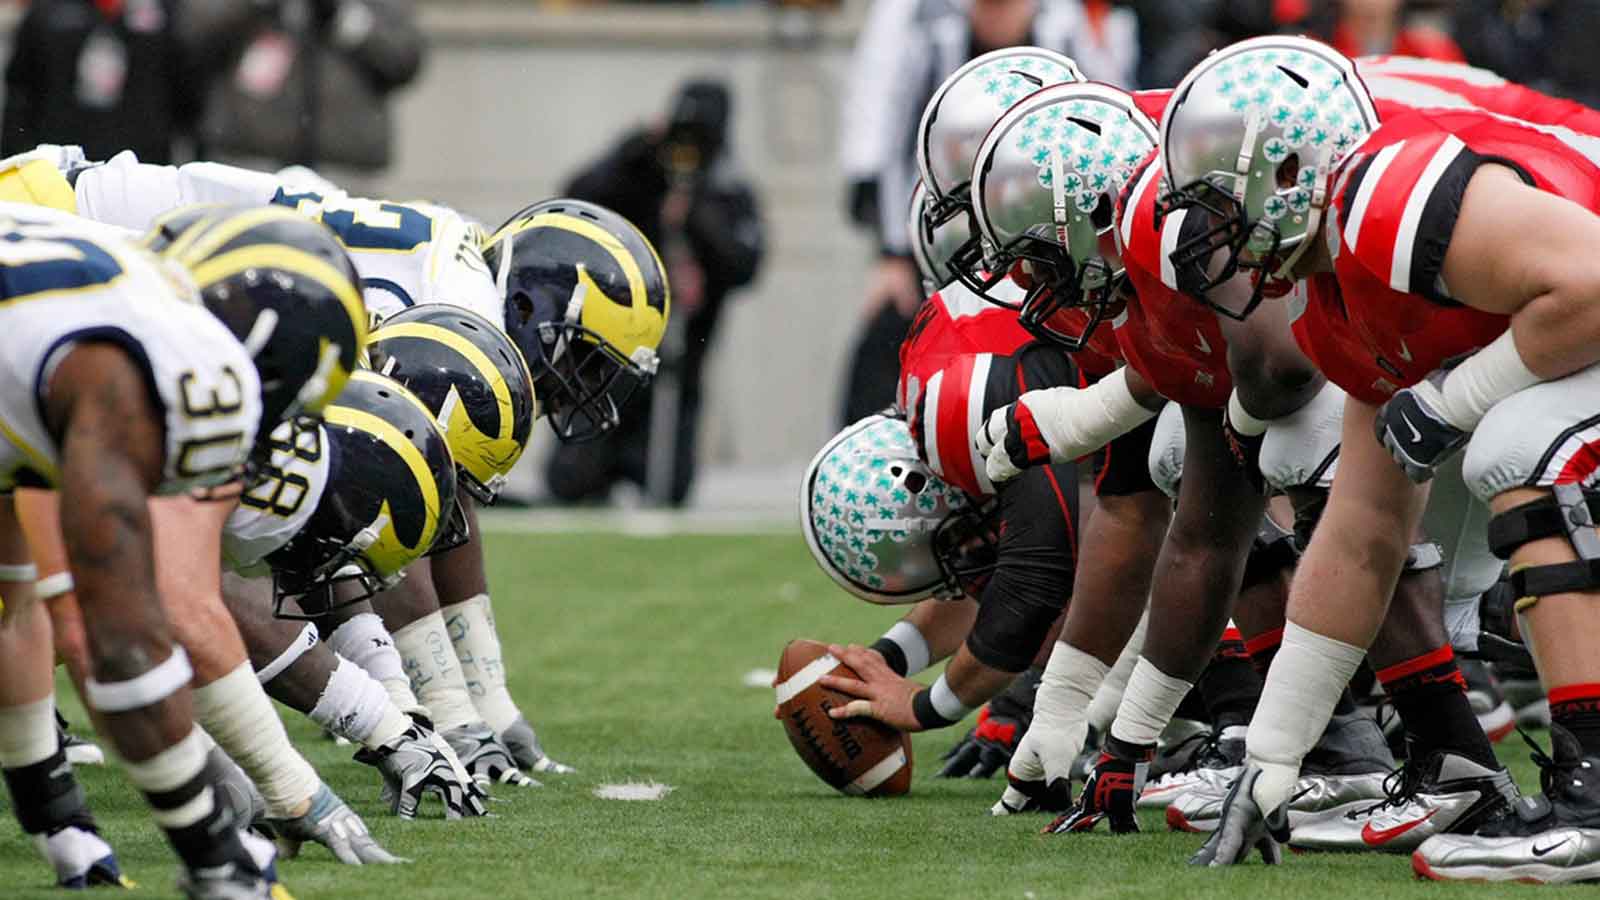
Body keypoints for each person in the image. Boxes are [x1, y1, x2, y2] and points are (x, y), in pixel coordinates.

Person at [1151, 37, 1600, 882]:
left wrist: (1454, 400)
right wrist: (1274, 760)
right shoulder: (1338, 299)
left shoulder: (1388, 195)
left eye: (1222, 203)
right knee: (1470, 454)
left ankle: (1596, 791)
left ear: (1291, 171)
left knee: (1515, 446)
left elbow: (1591, 283)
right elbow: (1361, 536)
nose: (1215, 237)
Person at [0, 200, 366, 896]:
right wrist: (211, 845)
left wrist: (57, 817)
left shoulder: (100, 295)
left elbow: (19, 598)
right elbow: (106, 640)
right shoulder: (157, 370)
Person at [837, 0, 1137, 427]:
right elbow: (897, 145)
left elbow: (1114, 118)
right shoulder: (935, 41)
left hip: (1054, 240)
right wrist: (893, 251)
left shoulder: (1065, 35)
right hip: (946, 240)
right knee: (890, 346)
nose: (997, 12)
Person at [548, 78, 764, 506]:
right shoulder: (641, 167)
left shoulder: (726, 187)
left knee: (667, 485)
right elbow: (577, 198)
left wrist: (696, 216)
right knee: (573, 478)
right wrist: (632, 153)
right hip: (610, 355)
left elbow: (745, 263)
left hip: (682, 356)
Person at [180, 0, 424, 169]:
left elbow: (404, 58)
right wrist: (255, 8)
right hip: (247, 162)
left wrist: (344, 19)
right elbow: (189, 42)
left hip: (344, 166)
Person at [2, 0, 199, 163]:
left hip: (142, 163)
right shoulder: (48, 13)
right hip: (62, 161)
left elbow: (186, 92)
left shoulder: (163, 14)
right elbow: (20, 92)